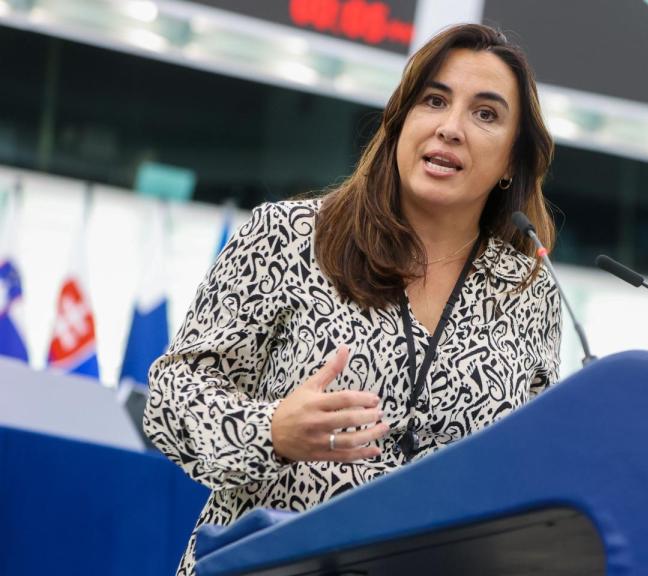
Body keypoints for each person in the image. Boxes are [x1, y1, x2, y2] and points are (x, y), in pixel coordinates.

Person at [143, 23, 562, 574]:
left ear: (511, 160)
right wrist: (270, 431)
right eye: (434, 100)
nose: (450, 128)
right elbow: (171, 399)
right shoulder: (290, 236)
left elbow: (528, 470)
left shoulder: (529, 290)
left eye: (485, 114)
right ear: (400, 122)